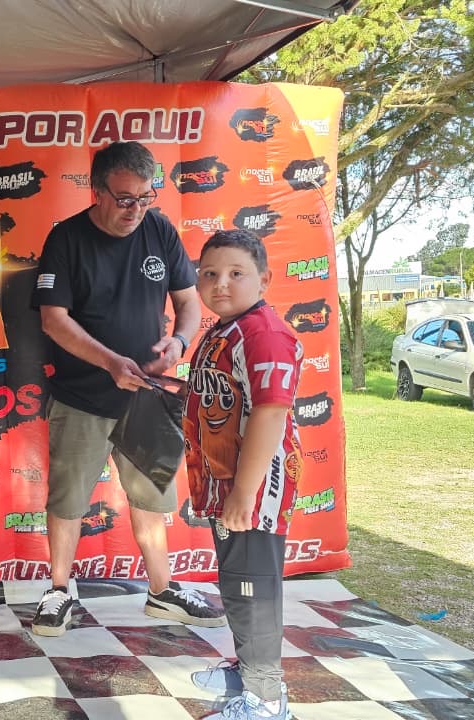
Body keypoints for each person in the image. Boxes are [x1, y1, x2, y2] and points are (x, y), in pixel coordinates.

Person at [29, 141, 225, 636]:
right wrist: (110, 362)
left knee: (151, 499)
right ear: (96, 192)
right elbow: (53, 320)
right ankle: (58, 591)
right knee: (68, 501)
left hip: (147, 395)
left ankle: (162, 591)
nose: (135, 210)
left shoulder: (159, 229)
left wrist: (179, 342)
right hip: (81, 396)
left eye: (145, 197)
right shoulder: (66, 239)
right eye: (124, 199)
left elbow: (189, 303)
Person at [185, 229, 302, 720]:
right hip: (227, 482)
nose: (221, 284)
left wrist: (245, 494)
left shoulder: (263, 333)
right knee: (237, 582)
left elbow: (270, 414)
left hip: (254, 488)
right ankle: (247, 671)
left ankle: (266, 700)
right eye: (209, 273)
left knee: (254, 590)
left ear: (264, 280)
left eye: (236, 273)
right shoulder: (225, 329)